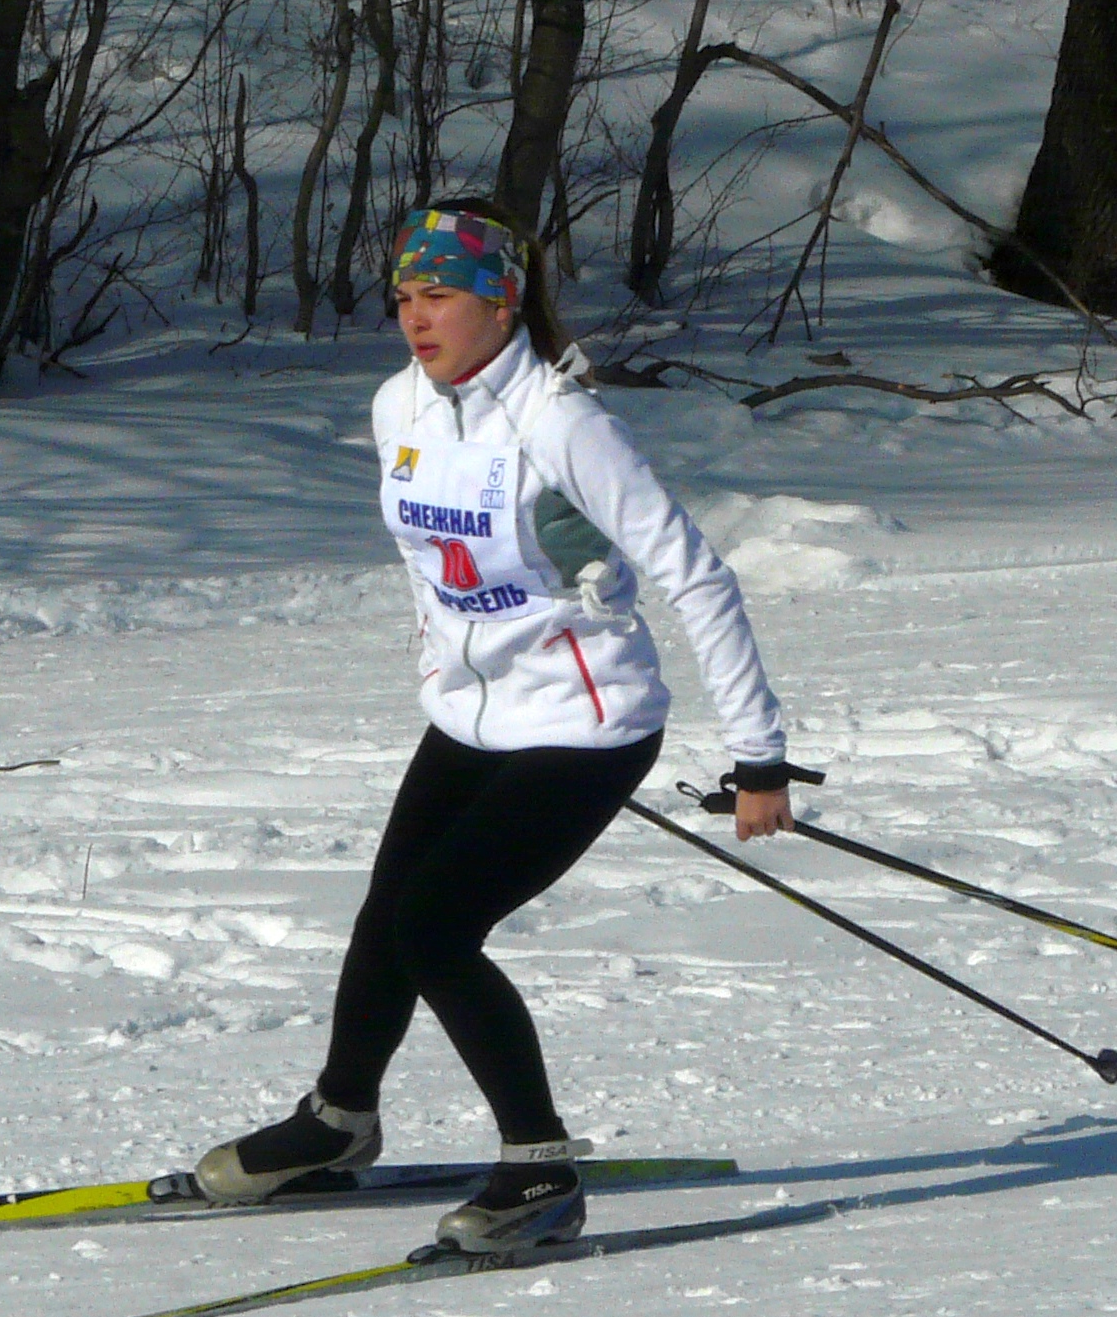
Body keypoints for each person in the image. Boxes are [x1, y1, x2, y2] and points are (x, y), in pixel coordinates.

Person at [196, 197, 798, 1252]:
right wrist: (445, 668)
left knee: (434, 927)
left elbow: (697, 577)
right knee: (387, 913)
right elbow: (427, 566)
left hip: (585, 723)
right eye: (402, 296)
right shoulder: (399, 405)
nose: (413, 316)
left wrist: (759, 759)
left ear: (502, 301)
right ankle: (337, 1121)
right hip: (471, 719)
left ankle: (539, 1169)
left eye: (438, 295)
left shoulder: (563, 423)